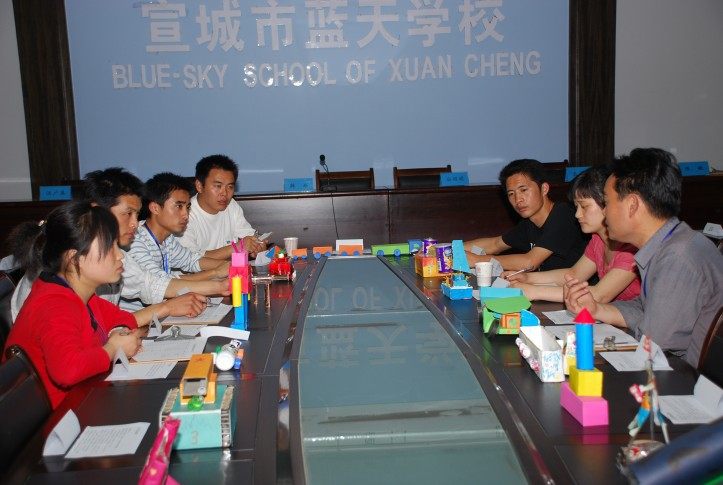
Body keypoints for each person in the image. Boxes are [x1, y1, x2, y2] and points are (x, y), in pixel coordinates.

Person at [564, 148, 723, 367]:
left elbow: (656, 343)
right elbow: (647, 309)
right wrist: (597, 309)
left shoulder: (677, 257)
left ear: (632, 205)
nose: (605, 212)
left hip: (683, 376)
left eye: (607, 203)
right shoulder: (670, 242)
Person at [9, 168, 219, 322]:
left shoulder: (112, 251)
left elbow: (141, 291)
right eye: (128, 213)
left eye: (137, 214)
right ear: (97, 211)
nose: (135, 224)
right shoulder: (76, 259)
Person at [3, 201, 143, 408]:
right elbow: (68, 371)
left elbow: (124, 318)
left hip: (85, 399)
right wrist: (112, 348)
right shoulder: (53, 305)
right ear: (74, 258)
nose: (120, 255)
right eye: (109, 247)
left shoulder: (80, 293)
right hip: (62, 416)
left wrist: (119, 333)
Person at [503, 165, 640, 303]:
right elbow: (574, 274)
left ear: (607, 204)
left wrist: (533, 291)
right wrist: (527, 278)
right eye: (576, 207)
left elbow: (600, 295)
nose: (577, 214)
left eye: (584, 206)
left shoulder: (631, 247)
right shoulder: (598, 240)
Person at [464, 159, 587, 271]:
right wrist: (453, 250)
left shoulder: (564, 215)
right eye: (511, 194)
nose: (518, 199)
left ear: (544, 189)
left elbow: (529, 262)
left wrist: (477, 260)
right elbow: (495, 244)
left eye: (523, 190)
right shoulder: (529, 223)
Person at [130, 172, 230, 287]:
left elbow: (191, 260)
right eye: (179, 206)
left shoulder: (167, 239)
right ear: (155, 208)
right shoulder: (135, 241)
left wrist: (234, 266)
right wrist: (215, 272)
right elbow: (163, 284)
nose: (186, 215)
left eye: (187, 207)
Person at [176, 154, 267, 259]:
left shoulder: (231, 205)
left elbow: (250, 237)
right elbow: (190, 260)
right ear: (199, 186)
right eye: (218, 186)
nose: (224, 193)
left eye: (230, 187)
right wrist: (237, 247)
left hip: (226, 269)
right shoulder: (184, 216)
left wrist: (257, 246)